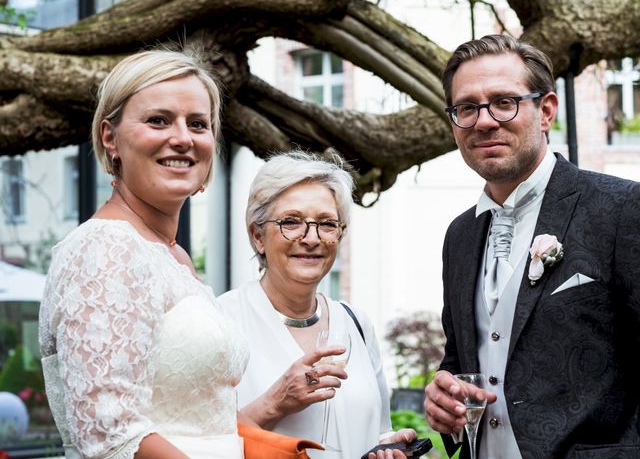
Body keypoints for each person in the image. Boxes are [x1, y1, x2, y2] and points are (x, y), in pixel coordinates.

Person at [424, 34, 640, 458]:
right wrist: (444, 397)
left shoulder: (622, 209)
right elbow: (463, 358)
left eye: (504, 102)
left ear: (545, 111)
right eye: (466, 107)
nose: (484, 121)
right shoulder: (459, 236)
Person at [39, 49, 251, 458]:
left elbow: (198, 421)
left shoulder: (174, 257)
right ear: (109, 137)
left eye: (198, 124)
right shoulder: (104, 249)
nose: (183, 138)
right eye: (158, 120)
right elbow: (111, 434)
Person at [218, 151, 416, 459]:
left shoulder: (357, 324)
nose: (311, 238)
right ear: (257, 235)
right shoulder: (221, 322)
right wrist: (275, 402)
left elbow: (378, 429)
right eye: (291, 222)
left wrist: (389, 447)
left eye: (326, 224)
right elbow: (196, 444)